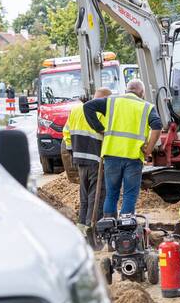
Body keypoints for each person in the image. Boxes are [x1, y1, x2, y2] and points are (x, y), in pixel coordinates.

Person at [83, 79, 162, 217]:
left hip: (111, 155)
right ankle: (125, 228)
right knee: (129, 194)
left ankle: (109, 225)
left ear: (126, 90)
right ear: (142, 93)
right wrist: (149, 149)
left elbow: (88, 106)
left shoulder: (112, 101)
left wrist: (99, 128)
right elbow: (157, 126)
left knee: (112, 193)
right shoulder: (147, 107)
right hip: (133, 157)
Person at [63, 87, 112, 228]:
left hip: (80, 159)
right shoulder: (103, 112)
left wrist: (73, 152)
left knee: (84, 197)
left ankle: (82, 227)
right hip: (97, 160)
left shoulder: (76, 110)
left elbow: (66, 133)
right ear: (105, 99)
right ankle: (93, 230)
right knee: (96, 197)